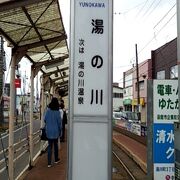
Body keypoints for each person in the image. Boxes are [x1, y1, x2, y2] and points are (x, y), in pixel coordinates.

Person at [44, 97, 62, 167]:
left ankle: (49, 163)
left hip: (49, 131)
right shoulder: (58, 112)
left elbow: (45, 120)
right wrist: (60, 131)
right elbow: (59, 123)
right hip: (56, 131)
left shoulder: (48, 111)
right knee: (56, 145)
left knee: (49, 146)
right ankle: (56, 159)